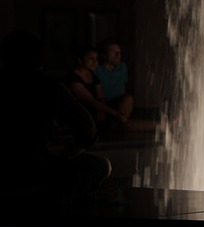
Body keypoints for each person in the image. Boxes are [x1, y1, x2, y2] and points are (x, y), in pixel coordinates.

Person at [1, 30, 111, 211]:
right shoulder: (51, 88)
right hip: (37, 186)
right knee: (101, 165)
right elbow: (88, 130)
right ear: (39, 61)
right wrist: (72, 151)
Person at [65, 46, 126, 130]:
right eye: (91, 59)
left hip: (94, 113)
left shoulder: (93, 77)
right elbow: (90, 101)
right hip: (78, 115)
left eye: (96, 59)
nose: (95, 62)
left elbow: (100, 98)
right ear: (80, 60)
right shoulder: (72, 78)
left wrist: (102, 111)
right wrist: (114, 113)